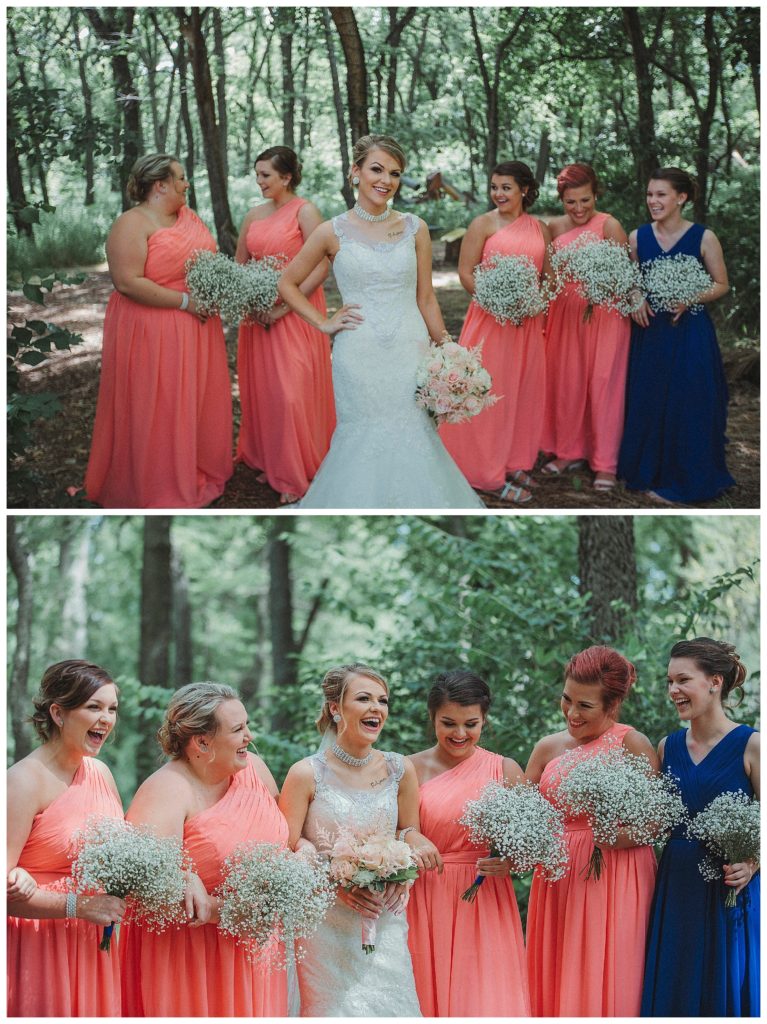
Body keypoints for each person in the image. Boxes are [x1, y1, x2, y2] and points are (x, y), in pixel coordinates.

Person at [277, 134, 483, 509]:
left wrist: (448, 347)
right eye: (376, 169)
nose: (385, 180)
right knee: (362, 438)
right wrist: (322, 322)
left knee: (417, 435)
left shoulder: (414, 228)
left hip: (410, 347)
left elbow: (426, 297)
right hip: (358, 353)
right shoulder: (330, 231)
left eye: (394, 173)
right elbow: (287, 283)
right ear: (355, 172)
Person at [279, 663, 442, 1016]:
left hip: (384, 921)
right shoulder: (306, 773)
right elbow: (288, 852)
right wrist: (334, 883)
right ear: (336, 708)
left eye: (382, 701)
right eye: (364, 699)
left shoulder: (400, 769)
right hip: (324, 926)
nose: (376, 709)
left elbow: (405, 831)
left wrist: (408, 864)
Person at [121, 682, 288, 1017]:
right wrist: (201, 894)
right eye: (238, 729)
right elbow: (146, 891)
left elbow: (287, 834)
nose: (250, 736)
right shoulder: (166, 790)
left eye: (247, 725)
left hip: (257, 951)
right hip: (193, 958)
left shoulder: (253, 767)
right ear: (201, 741)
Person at [85, 153, 233, 508]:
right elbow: (127, 283)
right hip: (152, 327)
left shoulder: (188, 217)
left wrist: (220, 287)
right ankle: (156, 482)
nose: (187, 184)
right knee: (159, 403)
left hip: (198, 326)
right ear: (160, 184)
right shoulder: (131, 224)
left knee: (194, 399)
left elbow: (206, 262)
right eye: (181, 178)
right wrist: (185, 303)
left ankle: (192, 467)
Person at [525, 646, 658, 1016]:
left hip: (614, 876)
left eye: (585, 706)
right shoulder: (547, 747)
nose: (571, 712)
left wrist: (617, 838)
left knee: (609, 972)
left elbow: (658, 819)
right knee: (556, 973)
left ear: (612, 705)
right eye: (567, 699)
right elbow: (520, 811)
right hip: (556, 879)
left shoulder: (632, 743)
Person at [641, 638, 759, 1016]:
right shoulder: (666, 748)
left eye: (683, 680)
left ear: (715, 681)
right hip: (676, 887)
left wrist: (753, 862)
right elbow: (653, 821)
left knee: (723, 986)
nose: (673, 690)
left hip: (728, 886)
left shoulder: (752, 746)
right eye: (669, 682)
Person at [406, 670, 530, 1017]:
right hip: (425, 897)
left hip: (485, 899)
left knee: (482, 995)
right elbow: (396, 831)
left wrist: (512, 863)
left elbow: (530, 848)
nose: (460, 734)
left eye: (470, 724)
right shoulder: (408, 769)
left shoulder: (505, 770)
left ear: (484, 719)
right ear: (432, 717)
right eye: (448, 723)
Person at [7, 661, 126, 1016]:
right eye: (94, 707)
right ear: (58, 713)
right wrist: (79, 906)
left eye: (112, 709)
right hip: (38, 947)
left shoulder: (101, 773)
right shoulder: (23, 781)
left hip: (93, 945)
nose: (106, 719)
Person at [617, 167, 734, 504]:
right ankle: (649, 471)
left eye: (661, 194)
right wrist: (635, 297)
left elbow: (721, 284)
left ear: (681, 198)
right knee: (650, 399)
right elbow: (631, 279)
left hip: (690, 332)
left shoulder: (704, 237)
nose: (653, 201)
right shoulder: (638, 237)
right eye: (650, 194)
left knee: (689, 401)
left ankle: (690, 476)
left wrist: (690, 296)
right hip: (650, 333)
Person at [440, 161, 550, 504]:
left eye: (506, 187)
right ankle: (483, 472)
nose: (498, 194)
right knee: (488, 393)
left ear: (525, 191)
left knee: (520, 391)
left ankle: (511, 460)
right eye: (494, 187)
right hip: (490, 320)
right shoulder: (482, 224)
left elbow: (545, 279)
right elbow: (466, 273)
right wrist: (497, 302)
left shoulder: (541, 228)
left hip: (526, 324)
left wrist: (533, 305)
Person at [235, 146, 335, 504]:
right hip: (258, 318)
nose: (259, 181)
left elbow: (323, 265)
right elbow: (241, 264)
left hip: (297, 314)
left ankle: (296, 471)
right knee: (267, 394)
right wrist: (253, 301)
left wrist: (284, 304)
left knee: (292, 392)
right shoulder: (253, 215)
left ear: (287, 177)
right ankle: (271, 460)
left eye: (266, 175)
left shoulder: (305, 212)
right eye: (257, 175)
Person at [541, 163, 631, 491]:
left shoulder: (610, 225)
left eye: (585, 200)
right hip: (564, 315)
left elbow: (626, 276)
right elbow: (550, 277)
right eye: (571, 202)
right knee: (568, 384)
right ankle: (568, 450)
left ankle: (605, 463)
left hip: (606, 316)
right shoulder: (552, 227)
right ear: (561, 200)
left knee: (604, 385)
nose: (579, 209)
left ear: (596, 195)